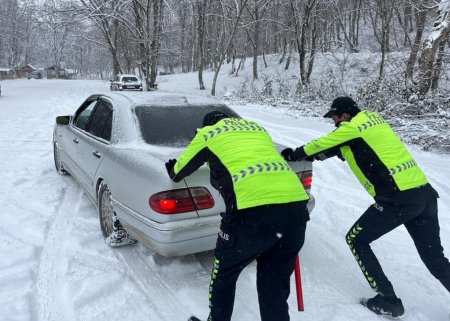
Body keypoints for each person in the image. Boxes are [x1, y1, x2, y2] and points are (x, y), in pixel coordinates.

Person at [281, 96, 450, 318]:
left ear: (345, 115)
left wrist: (293, 155)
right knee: (435, 258)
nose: (333, 122)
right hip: (424, 196)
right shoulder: (373, 120)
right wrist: (319, 156)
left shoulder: (350, 128)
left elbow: (320, 144)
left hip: (397, 199)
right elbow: (342, 148)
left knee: (356, 239)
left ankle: (388, 300)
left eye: (334, 117)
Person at [165, 111, 310, 321]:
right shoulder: (257, 129)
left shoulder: (208, 133)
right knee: (274, 287)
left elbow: (178, 171)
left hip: (250, 215)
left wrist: (173, 167)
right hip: (295, 212)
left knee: (224, 275)